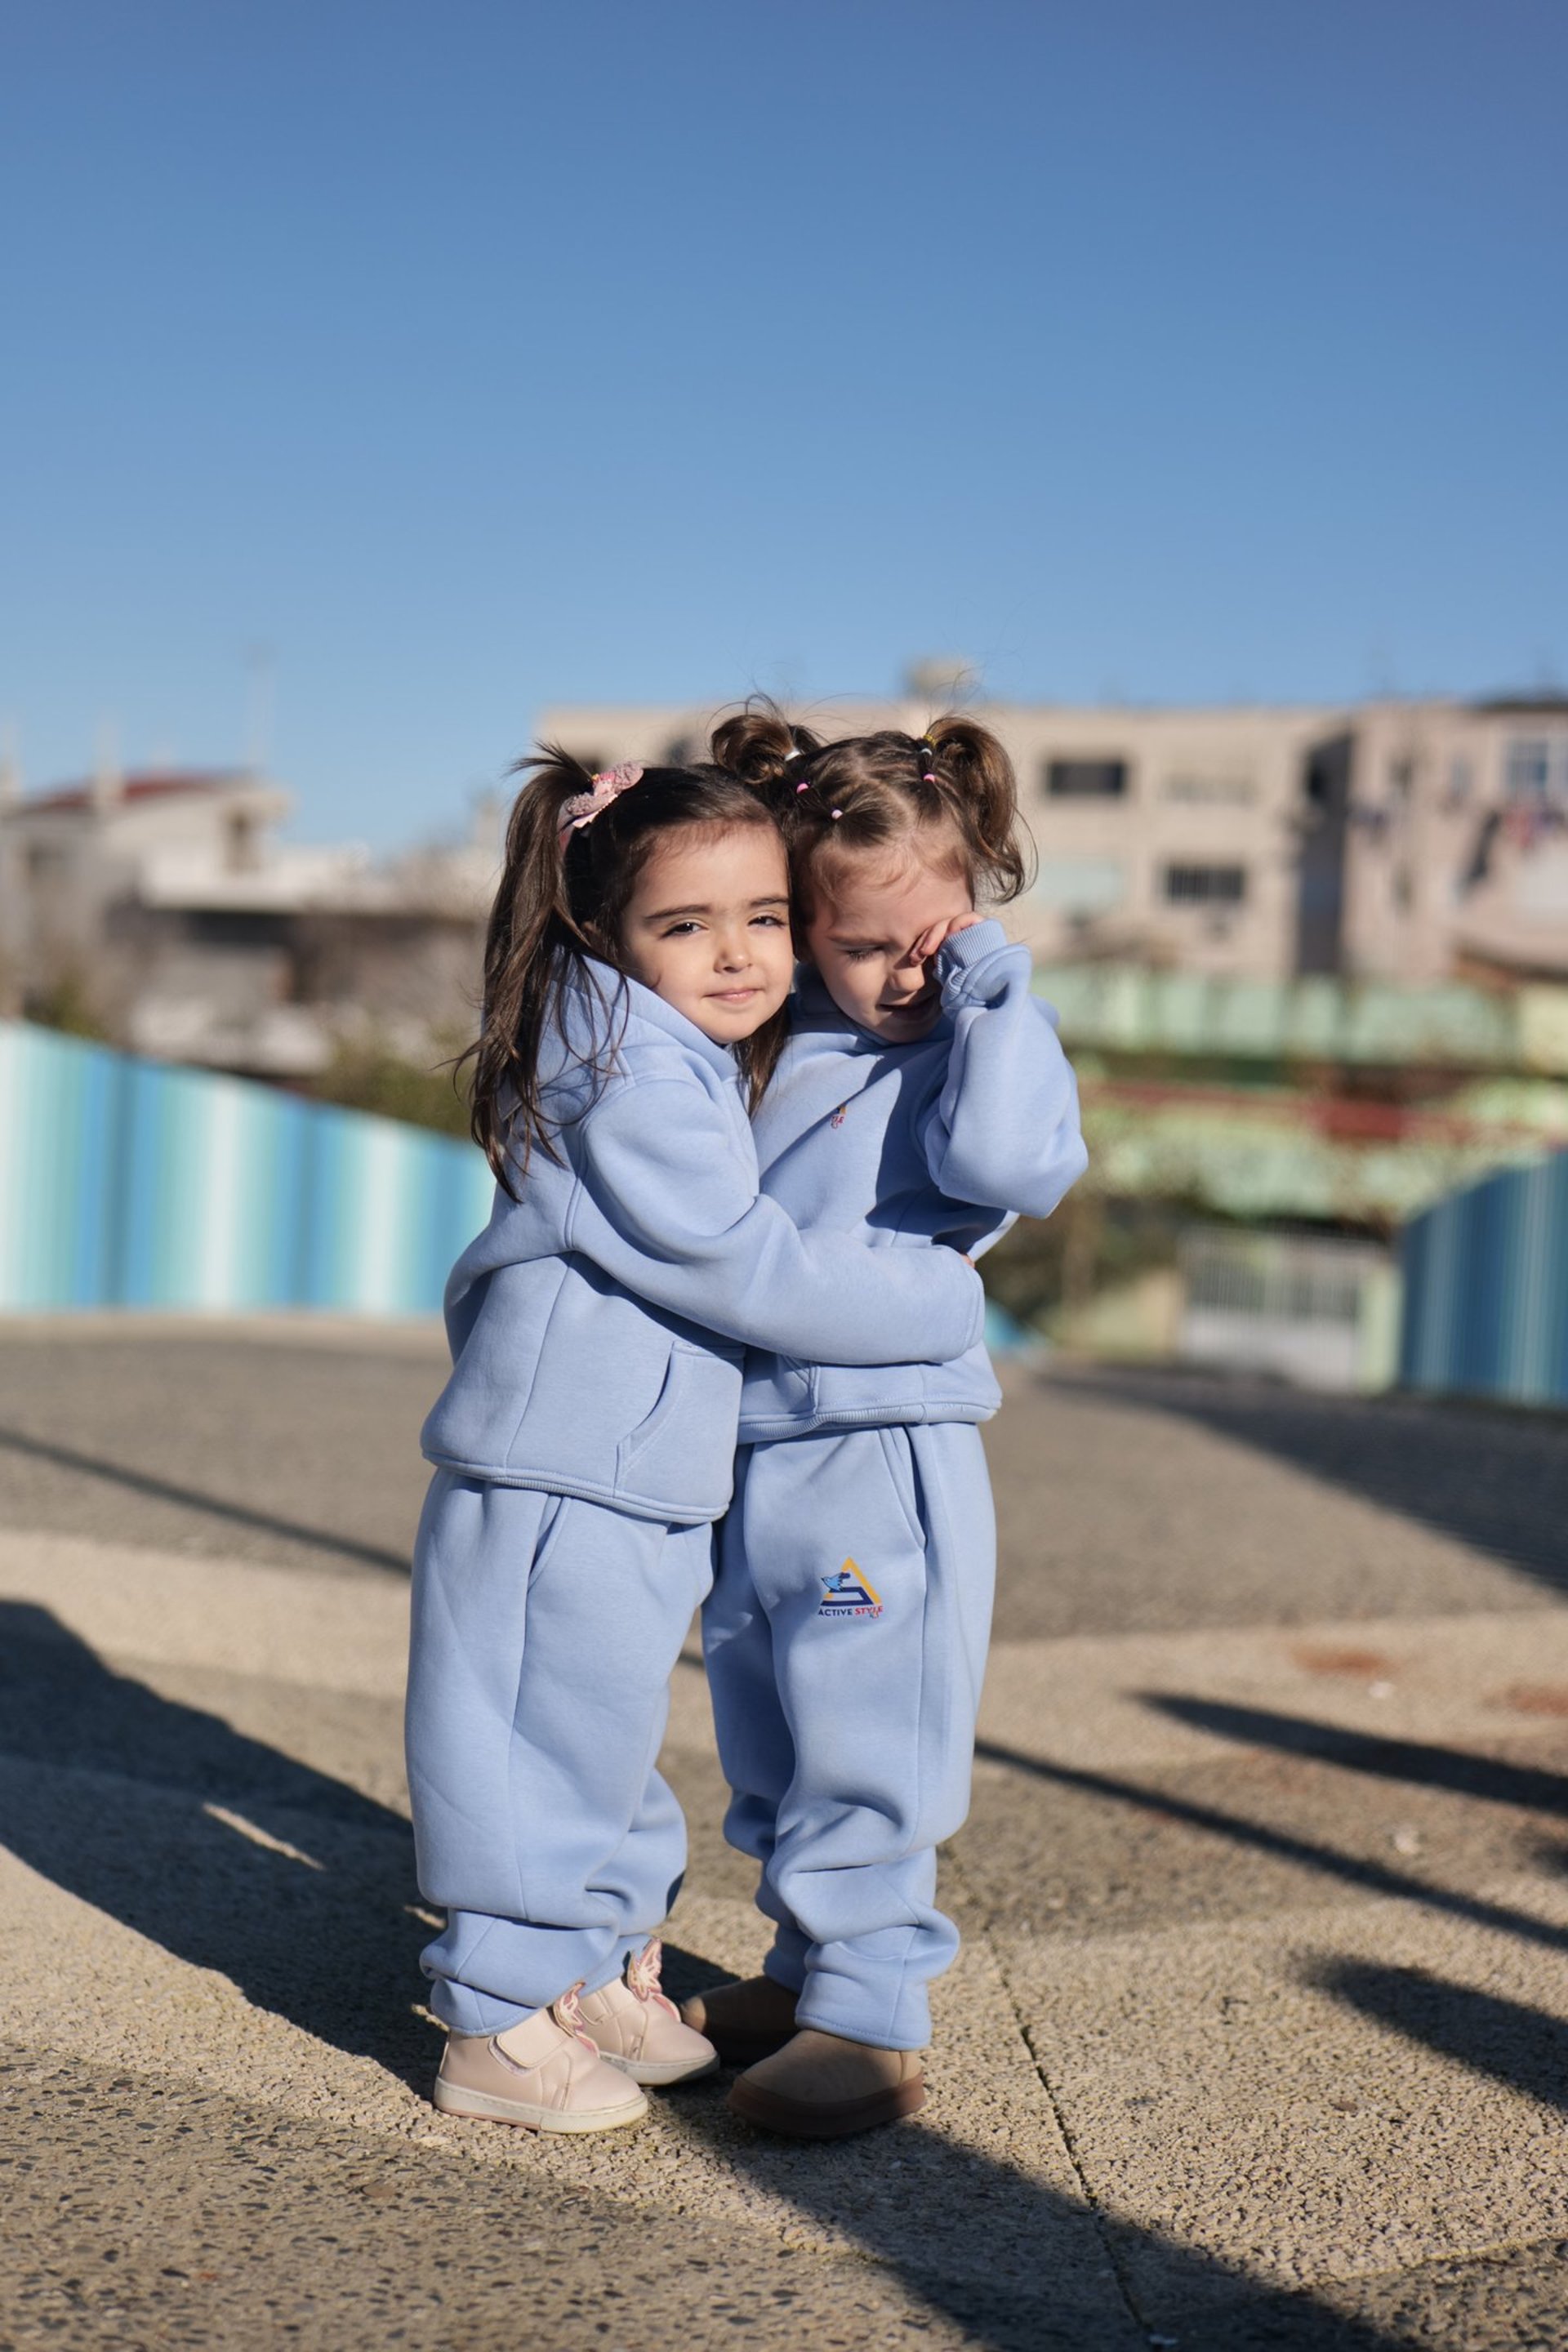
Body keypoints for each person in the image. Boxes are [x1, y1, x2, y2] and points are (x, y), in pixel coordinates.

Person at [406, 749, 987, 2135]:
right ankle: (495, 2017)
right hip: (565, 1458)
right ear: (606, 930)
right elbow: (741, 1266)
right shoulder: (622, 1059)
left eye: (766, 918)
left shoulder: (678, 1048)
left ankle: (589, 1972)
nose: (737, 954)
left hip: (634, 1460)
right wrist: (936, 1293)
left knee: (598, 1737)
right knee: (528, 1740)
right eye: (687, 924)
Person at [684, 708, 1088, 2138]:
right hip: (754, 1447)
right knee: (768, 1722)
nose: (908, 968)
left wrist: (989, 986)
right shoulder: (782, 1039)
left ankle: (871, 2009)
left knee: (872, 1723)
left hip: (883, 1448)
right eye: (868, 948)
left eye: (941, 930)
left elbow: (1011, 1168)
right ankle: (801, 1968)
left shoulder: (975, 1052)